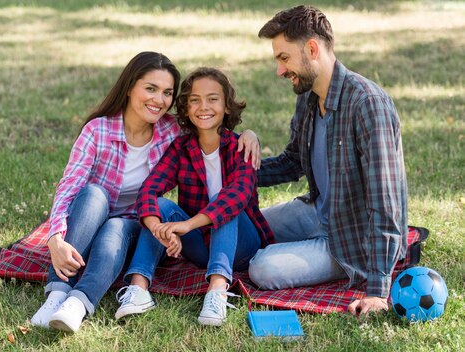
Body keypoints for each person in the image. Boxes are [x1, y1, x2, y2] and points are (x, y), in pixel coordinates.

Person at [29, 52, 261, 333]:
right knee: (94, 194)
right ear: (129, 87)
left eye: (166, 93)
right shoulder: (102, 131)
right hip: (96, 222)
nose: (158, 100)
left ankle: (78, 304)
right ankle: (59, 294)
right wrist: (55, 238)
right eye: (150, 89)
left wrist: (250, 133)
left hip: (156, 229)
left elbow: (230, 182)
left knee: (217, 206)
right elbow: (71, 188)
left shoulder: (176, 133)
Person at [248, 6, 408, 316]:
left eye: (284, 58)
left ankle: (354, 269)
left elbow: (385, 202)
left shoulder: (367, 104)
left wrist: (377, 291)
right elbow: (291, 162)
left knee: (263, 269)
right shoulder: (307, 98)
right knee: (246, 227)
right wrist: (233, 168)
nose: (280, 70)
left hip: (354, 237)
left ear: (312, 49)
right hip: (318, 212)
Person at [115, 67, 274, 326]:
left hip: (242, 248)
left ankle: (217, 291)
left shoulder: (240, 148)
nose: (204, 106)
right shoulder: (181, 148)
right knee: (158, 205)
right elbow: (149, 189)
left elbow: (237, 196)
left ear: (227, 106)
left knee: (225, 204)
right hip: (201, 247)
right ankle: (139, 289)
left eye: (213, 99)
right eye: (195, 100)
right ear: (186, 107)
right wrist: (161, 229)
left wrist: (186, 225)